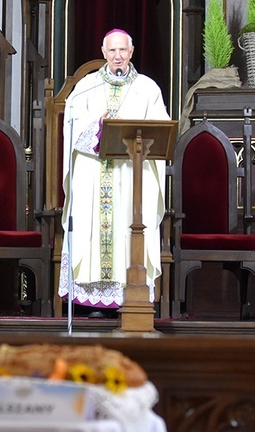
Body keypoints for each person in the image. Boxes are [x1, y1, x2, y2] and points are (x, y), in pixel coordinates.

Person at [59, 29, 169, 314]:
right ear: (103, 53)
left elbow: (161, 130)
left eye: (123, 51)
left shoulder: (148, 89)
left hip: (130, 175)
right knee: (89, 228)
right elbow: (71, 125)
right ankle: (89, 299)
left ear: (131, 52)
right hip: (94, 175)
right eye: (112, 51)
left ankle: (129, 295)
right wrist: (98, 126)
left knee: (128, 226)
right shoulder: (86, 87)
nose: (117, 56)